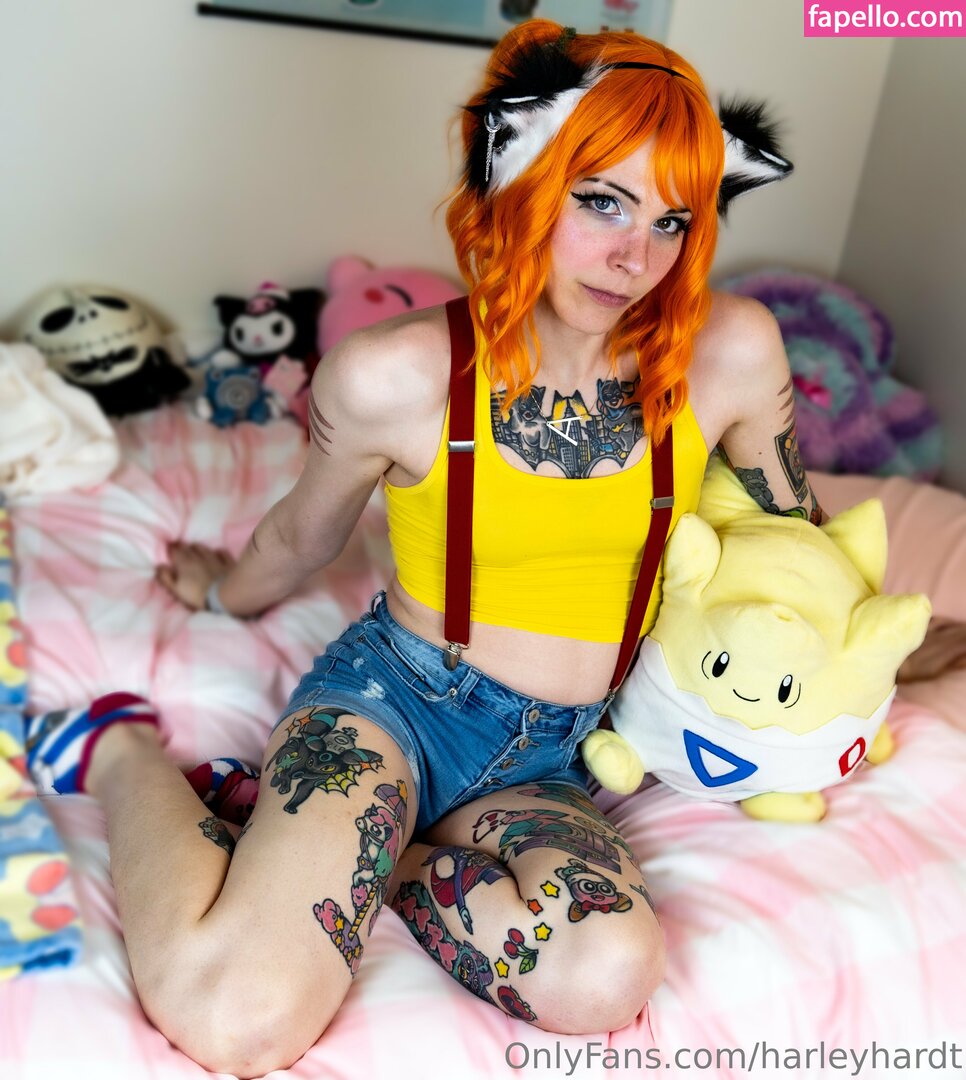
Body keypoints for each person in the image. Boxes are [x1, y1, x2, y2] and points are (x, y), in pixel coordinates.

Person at [25, 21, 854, 1078]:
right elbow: (301, 534)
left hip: (559, 757)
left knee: (603, 974)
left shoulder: (730, 352)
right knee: (237, 1018)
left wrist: (873, 653)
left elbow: (792, 537)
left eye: (671, 220)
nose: (634, 256)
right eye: (601, 201)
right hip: (396, 708)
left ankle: (376, 857)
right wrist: (222, 593)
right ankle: (122, 752)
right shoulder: (393, 374)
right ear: (520, 180)